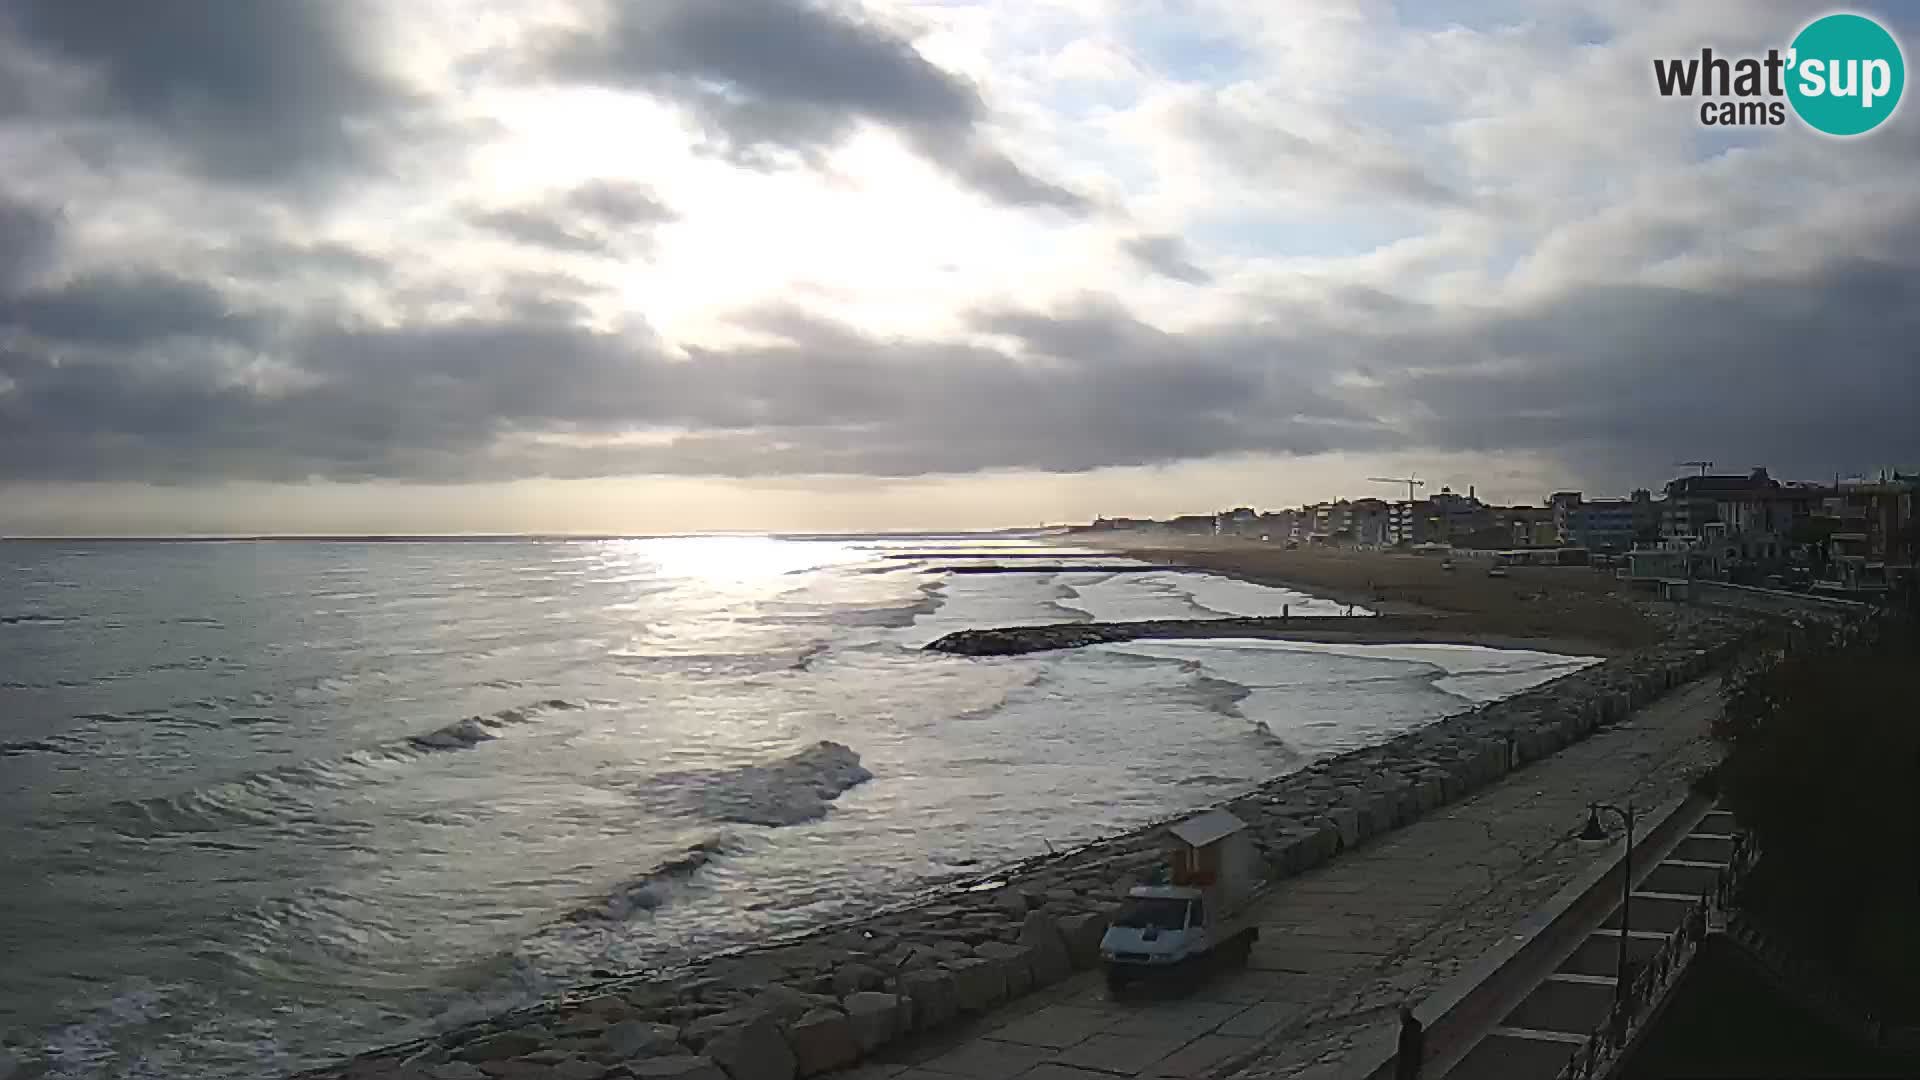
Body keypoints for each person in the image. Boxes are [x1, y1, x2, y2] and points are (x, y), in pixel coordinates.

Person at [1395, 1005, 1423, 1080]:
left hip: (1408, 1068)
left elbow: (1410, 1051)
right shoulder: (1411, 1028)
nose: (1401, 1019)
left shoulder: (1409, 1030)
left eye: (1402, 1016)